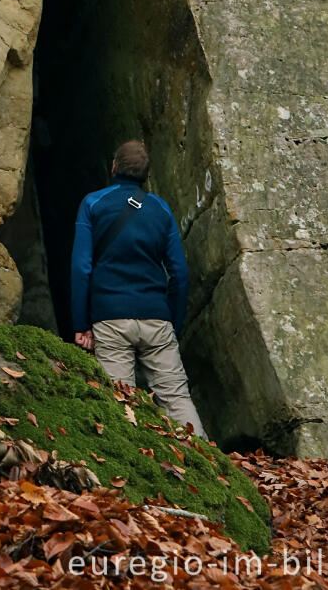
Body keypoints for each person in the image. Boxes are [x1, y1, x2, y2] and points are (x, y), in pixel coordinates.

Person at [70, 138, 204, 434]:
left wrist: (81, 323)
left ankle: (128, 474)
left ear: (114, 166)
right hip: (156, 318)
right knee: (177, 399)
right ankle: (212, 468)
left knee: (120, 401)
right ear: (146, 176)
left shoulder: (93, 203)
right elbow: (179, 273)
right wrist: (173, 324)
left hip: (111, 318)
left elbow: (81, 268)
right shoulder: (161, 209)